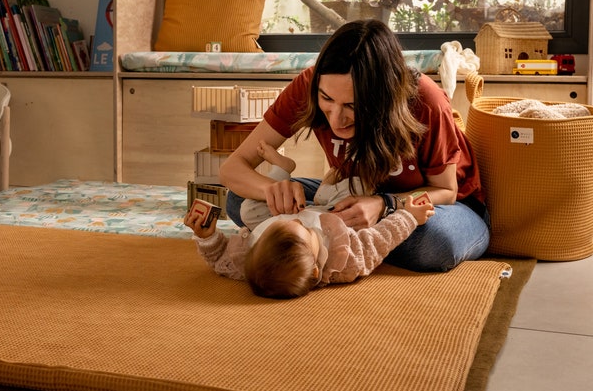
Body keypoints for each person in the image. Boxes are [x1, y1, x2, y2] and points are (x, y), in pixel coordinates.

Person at [219, 19, 490, 273]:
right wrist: (271, 190)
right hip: (348, 196)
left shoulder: (426, 101)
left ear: (384, 96)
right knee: (238, 200)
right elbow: (233, 168)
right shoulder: (308, 84)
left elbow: (445, 191)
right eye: (327, 99)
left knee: (435, 245)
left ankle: (334, 239)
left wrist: (384, 205)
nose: (336, 118)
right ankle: (347, 239)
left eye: (352, 106)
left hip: (438, 206)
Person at [185, 141, 434, 299]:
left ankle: (282, 168)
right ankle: (333, 185)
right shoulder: (346, 261)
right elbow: (380, 239)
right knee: (354, 189)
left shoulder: (252, 264)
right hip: (334, 212)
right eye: (302, 228)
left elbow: (221, 260)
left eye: (285, 222)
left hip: (301, 205)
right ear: (316, 269)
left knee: (246, 208)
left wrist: (207, 237)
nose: (297, 219)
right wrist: (408, 216)